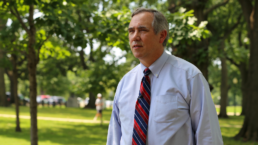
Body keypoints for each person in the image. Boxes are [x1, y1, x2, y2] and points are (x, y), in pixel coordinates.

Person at [106, 8, 223, 145]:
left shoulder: (189, 77)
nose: (135, 37)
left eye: (142, 30)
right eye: (131, 31)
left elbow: (208, 137)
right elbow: (114, 138)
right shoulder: (125, 83)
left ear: (162, 36)